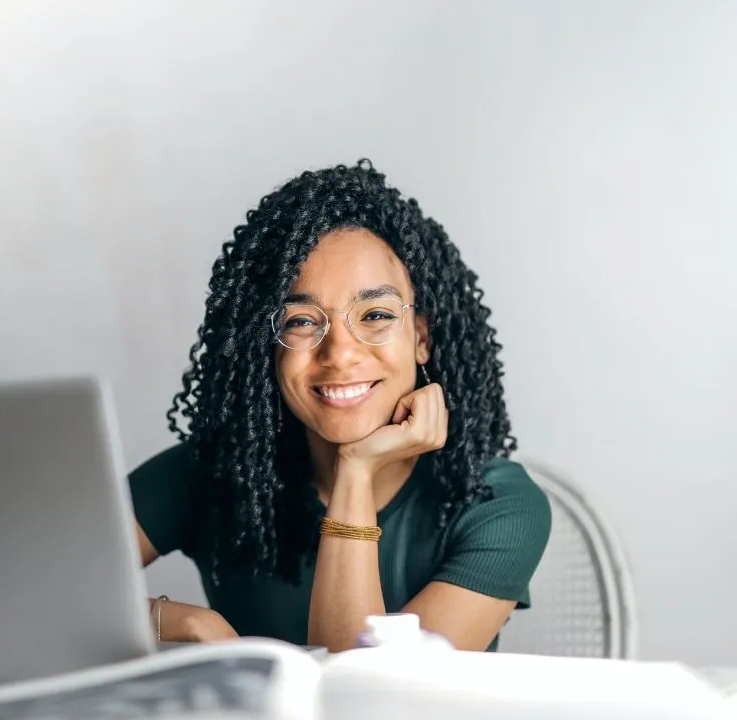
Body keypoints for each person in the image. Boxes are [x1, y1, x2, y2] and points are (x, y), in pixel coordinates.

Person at [130, 160, 551, 653]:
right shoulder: (211, 473)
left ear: (421, 337)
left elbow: (369, 701)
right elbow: (30, 592)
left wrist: (356, 470)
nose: (341, 353)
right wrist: (184, 623)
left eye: (375, 315)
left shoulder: (496, 504)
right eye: (302, 322)